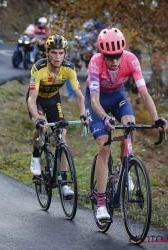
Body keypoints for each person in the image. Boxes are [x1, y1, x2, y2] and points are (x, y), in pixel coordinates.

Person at [85, 28, 168, 221]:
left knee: (130, 124)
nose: (114, 61)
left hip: (118, 96)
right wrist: (105, 118)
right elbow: (95, 100)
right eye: (109, 57)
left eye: (117, 56)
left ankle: (125, 166)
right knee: (104, 145)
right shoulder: (95, 62)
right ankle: (101, 204)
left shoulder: (131, 60)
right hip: (97, 101)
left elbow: (144, 93)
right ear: (102, 53)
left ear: (123, 52)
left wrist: (156, 118)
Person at [27, 34, 86, 197]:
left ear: (65, 54)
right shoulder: (39, 68)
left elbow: (79, 96)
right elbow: (31, 99)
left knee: (62, 136)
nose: (57, 57)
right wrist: (37, 117)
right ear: (47, 53)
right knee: (42, 128)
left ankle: (64, 182)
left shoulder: (69, 68)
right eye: (54, 52)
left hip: (53, 100)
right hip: (37, 100)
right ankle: (36, 155)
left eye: (61, 53)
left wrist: (83, 114)